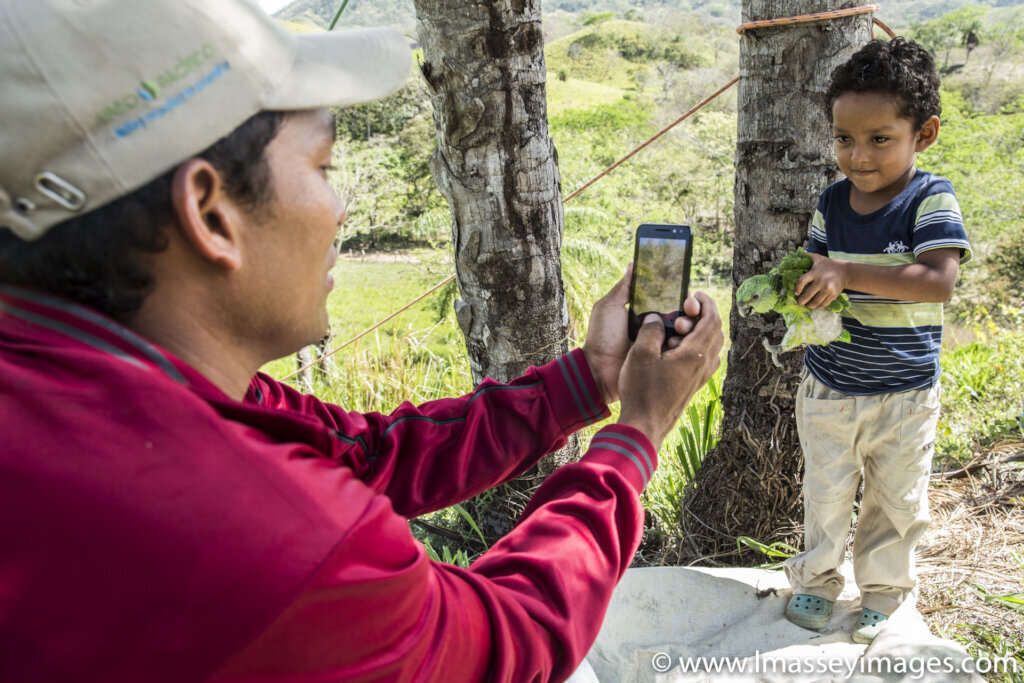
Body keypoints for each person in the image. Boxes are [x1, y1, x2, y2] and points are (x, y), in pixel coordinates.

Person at [0, 1, 724, 681]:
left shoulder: (105, 367)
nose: (341, 208)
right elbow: (505, 639)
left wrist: (587, 379)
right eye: (323, 167)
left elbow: (367, 455)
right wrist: (638, 433)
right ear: (210, 212)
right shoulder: (263, 531)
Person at [783, 38, 971, 644]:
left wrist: (848, 273)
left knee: (895, 502)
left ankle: (884, 595)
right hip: (830, 385)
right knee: (826, 494)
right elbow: (817, 269)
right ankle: (815, 583)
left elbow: (939, 282)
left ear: (925, 134)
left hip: (905, 395)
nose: (858, 156)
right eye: (844, 139)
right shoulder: (831, 201)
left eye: (879, 139)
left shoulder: (929, 198)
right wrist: (798, 288)